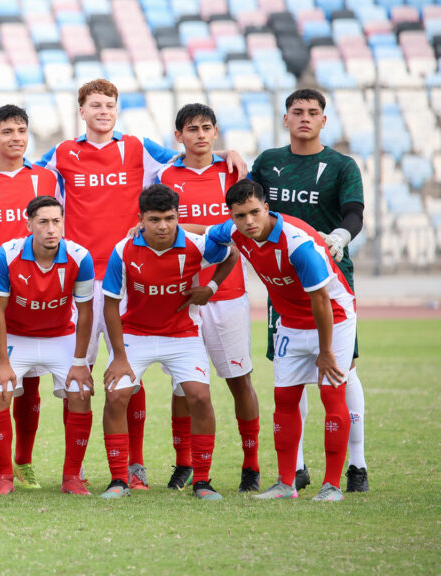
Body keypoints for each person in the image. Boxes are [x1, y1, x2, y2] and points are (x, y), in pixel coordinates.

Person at [0, 79, 247, 490]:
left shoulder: (139, 148)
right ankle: (26, 466)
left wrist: (225, 152)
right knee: (74, 373)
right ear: (82, 111)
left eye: (109, 104)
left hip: (127, 273)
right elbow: (19, 161)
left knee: (123, 369)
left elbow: (188, 154)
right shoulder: (62, 153)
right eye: (94, 104)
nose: (103, 110)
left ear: (116, 109)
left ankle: (133, 468)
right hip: (77, 275)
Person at [249, 88, 367, 493]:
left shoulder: (340, 165)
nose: (304, 118)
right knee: (289, 374)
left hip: (331, 276)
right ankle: (295, 470)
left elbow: (354, 212)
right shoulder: (268, 162)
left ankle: (357, 465)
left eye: (312, 113)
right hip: (281, 281)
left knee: (341, 369)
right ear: (286, 119)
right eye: (296, 112)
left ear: (323, 120)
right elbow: (244, 201)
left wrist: (341, 234)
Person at [209, 179, 355, 502]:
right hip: (289, 321)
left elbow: (320, 300)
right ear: (231, 216)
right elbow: (206, 233)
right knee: (284, 399)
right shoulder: (234, 232)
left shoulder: (298, 243)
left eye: (254, 212)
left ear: (267, 208)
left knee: (332, 396)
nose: (248, 222)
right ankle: (286, 484)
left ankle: (332, 486)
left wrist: (326, 352)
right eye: (239, 216)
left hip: (333, 317)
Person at [101, 184, 238, 501]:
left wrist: (213, 287)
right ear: (141, 219)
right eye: (154, 219)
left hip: (182, 335)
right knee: (116, 395)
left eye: (170, 218)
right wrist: (119, 357)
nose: (163, 226)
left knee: (199, 397)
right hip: (136, 334)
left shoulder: (196, 245)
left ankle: (202, 481)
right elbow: (110, 305)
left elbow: (230, 252)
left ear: (178, 217)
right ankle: (119, 479)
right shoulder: (124, 250)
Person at [155, 104, 261, 493]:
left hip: (227, 292)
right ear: (178, 135)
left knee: (239, 379)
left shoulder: (232, 173)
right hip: (183, 295)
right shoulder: (165, 174)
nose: (199, 134)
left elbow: (242, 227)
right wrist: (213, 229)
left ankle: (251, 465)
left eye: (206, 128)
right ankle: (184, 464)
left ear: (215, 133)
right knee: (184, 386)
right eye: (191, 128)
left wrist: (191, 227)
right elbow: (159, 225)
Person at [0, 104, 60, 491]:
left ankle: (22, 461)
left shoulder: (47, 177)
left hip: (36, 293)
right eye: (7, 131)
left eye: (21, 130)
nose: (16, 137)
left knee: (31, 382)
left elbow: (59, 227)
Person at [0, 195, 95, 496]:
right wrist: (2, 362)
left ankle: (72, 477)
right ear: (29, 224)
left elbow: (85, 312)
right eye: (43, 222)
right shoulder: (5, 256)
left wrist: (80, 361)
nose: (51, 229)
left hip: (60, 336)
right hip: (16, 337)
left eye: (56, 221)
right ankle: (4, 477)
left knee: (81, 392)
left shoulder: (79, 257)